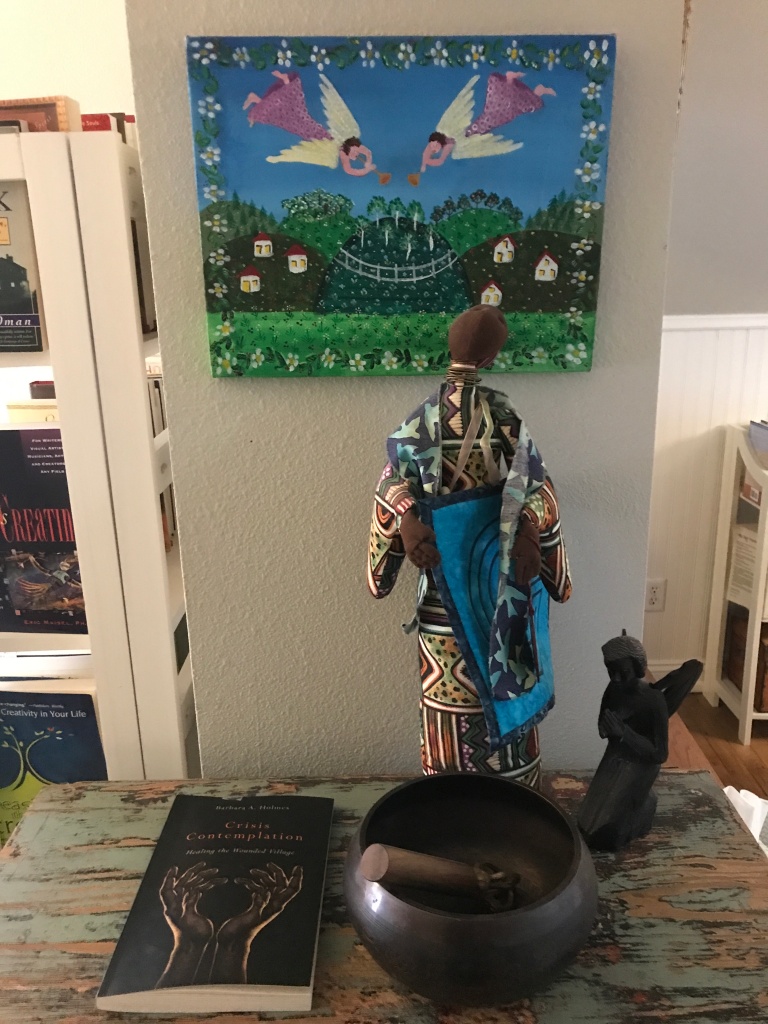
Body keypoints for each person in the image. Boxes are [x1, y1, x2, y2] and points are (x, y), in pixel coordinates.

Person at [367, 306, 571, 785]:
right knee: (504, 686)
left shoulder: (420, 423)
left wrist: (406, 519)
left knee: (453, 701)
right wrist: (528, 531)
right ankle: (508, 799)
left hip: (458, 592)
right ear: (492, 357)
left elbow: (390, 481)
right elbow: (539, 487)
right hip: (501, 588)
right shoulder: (506, 421)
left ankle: (453, 798)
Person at [577, 631, 703, 850]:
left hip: (640, 765)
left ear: (637, 667)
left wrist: (624, 732)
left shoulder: (654, 700)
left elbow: (659, 754)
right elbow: (603, 726)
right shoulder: (613, 689)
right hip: (615, 758)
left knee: (609, 830)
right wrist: (607, 728)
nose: (616, 678)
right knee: (588, 822)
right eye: (611, 671)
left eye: (623, 672)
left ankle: (638, 814)